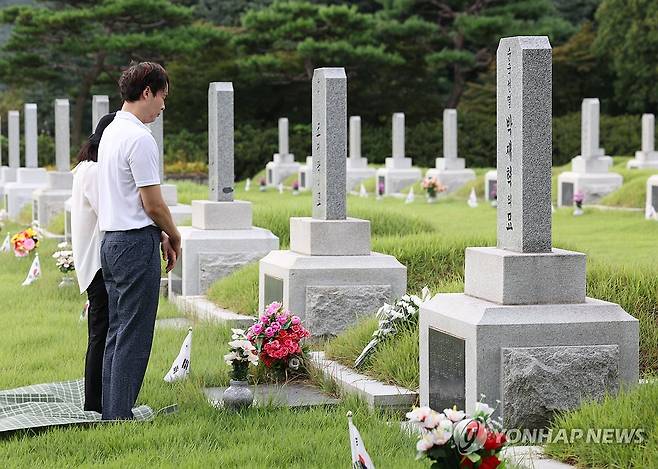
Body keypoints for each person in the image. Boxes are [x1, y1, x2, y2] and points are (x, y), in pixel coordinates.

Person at [97, 62, 180, 420]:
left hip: (111, 241)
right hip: (133, 245)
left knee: (118, 330)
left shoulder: (112, 130)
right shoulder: (139, 138)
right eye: (162, 96)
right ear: (147, 91)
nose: (163, 106)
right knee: (134, 332)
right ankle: (120, 415)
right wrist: (173, 233)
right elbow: (152, 202)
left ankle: (112, 409)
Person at [70, 112, 116, 413]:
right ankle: (95, 402)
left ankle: (98, 399)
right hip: (98, 262)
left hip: (93, 261)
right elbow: (111, 210)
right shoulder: (93, 171)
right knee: (100, 332)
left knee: (101, 330)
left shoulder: (85, 168)